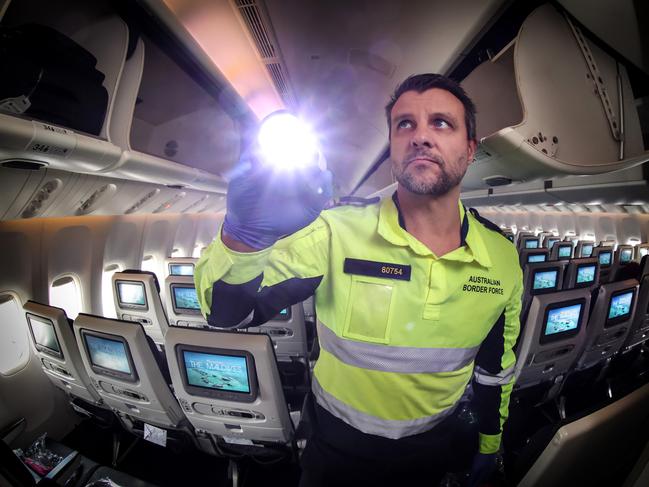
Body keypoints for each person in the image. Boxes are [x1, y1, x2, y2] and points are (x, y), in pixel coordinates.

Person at [195, 73, 522, 487]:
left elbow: (495, 370)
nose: (420, 136)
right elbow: (227, 314)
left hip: (431, 449)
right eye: (405, 124)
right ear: (391, 148)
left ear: (471, 148)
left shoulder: (501, 259)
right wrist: (245, 237)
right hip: (336, 450)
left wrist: (490, 442)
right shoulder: (335, 232)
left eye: (441, 123)